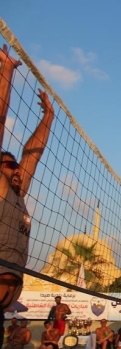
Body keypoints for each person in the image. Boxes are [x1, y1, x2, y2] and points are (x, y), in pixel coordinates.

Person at [0, 44, 55, 333]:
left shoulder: (18, 194)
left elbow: (32, 155)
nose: (17, 169)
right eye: (10, 165)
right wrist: (7, 70)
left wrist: (49, 117)